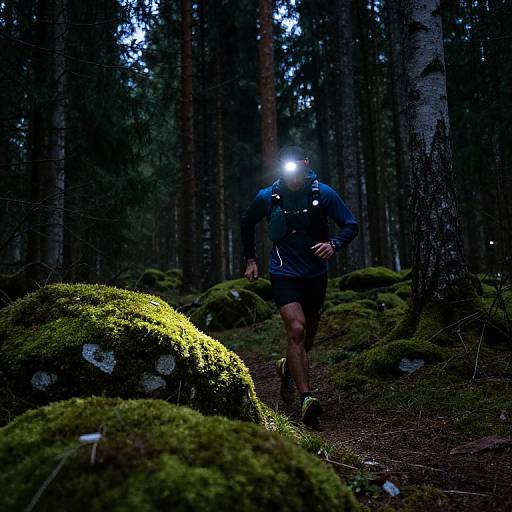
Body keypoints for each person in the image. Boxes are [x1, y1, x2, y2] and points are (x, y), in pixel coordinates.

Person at [240, 145, 359, 427]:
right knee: (296, 329)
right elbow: (247, 222)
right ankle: (307, 399)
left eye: (299, 168)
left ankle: (286, 367)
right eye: (287, 169)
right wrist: (250, 260)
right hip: (283, 270)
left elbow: (350, 224)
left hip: (315, 273)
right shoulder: (267, 196)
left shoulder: (324, 194)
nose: (294, 175)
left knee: (308, 340)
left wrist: (334, 244)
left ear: (306, 166)